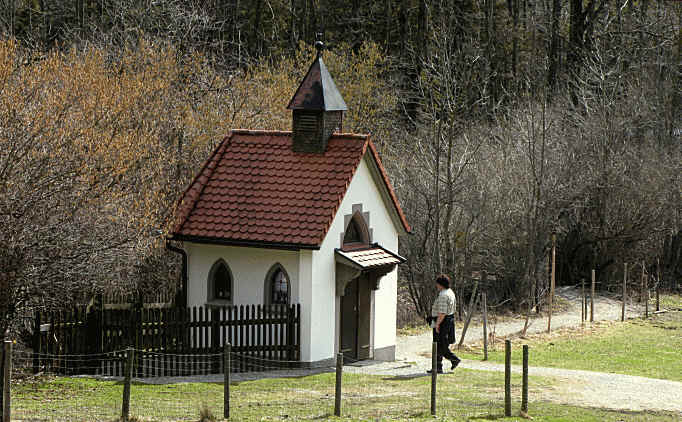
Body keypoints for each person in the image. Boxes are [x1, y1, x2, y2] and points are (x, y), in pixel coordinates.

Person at [427, 274, 460, 374]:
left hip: (443, 321)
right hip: (448, 320)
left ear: (441, 284)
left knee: (439, 345)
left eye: (437, 284)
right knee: (440, 344)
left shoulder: (443, 295)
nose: (436, 286)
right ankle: (438, 367)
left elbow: (442, 312)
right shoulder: (450, 292)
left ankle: (453, 359)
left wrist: (437, 324)